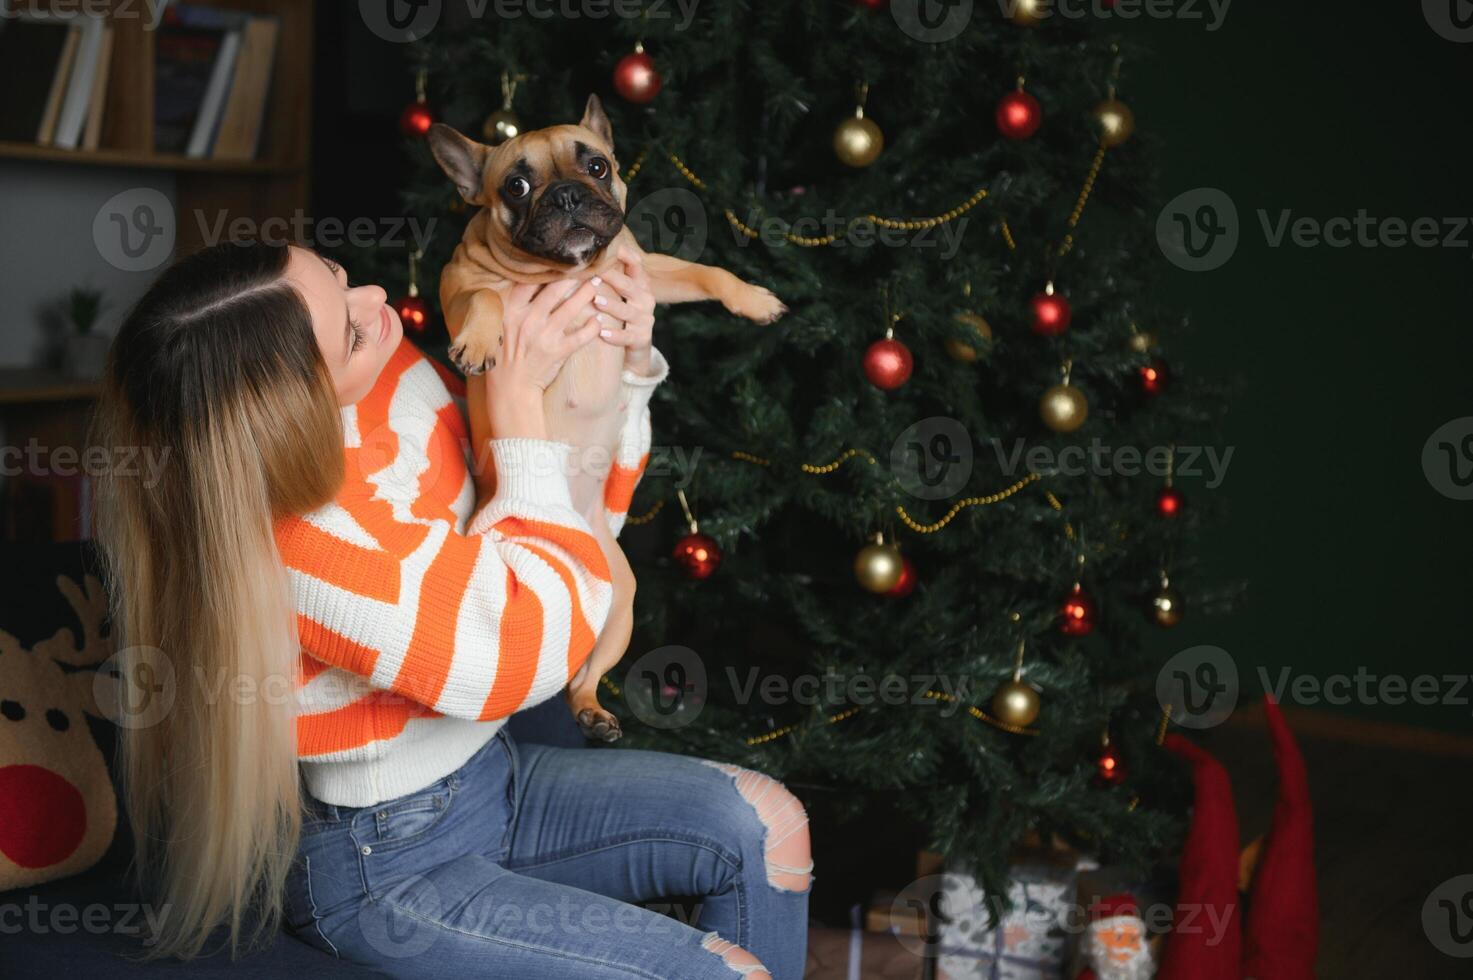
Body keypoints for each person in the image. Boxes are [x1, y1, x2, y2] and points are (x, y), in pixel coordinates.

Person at [92, 240, 812, 978]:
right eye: (350, 328)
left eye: (342, 278)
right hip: (384, 861)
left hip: (487, 777)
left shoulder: (398, 380)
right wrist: (513, 400)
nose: (378, 298)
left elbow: (584, 533)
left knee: (765, 823)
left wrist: (616, 364)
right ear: (291, 406)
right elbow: (533, 646)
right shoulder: (311, 545)